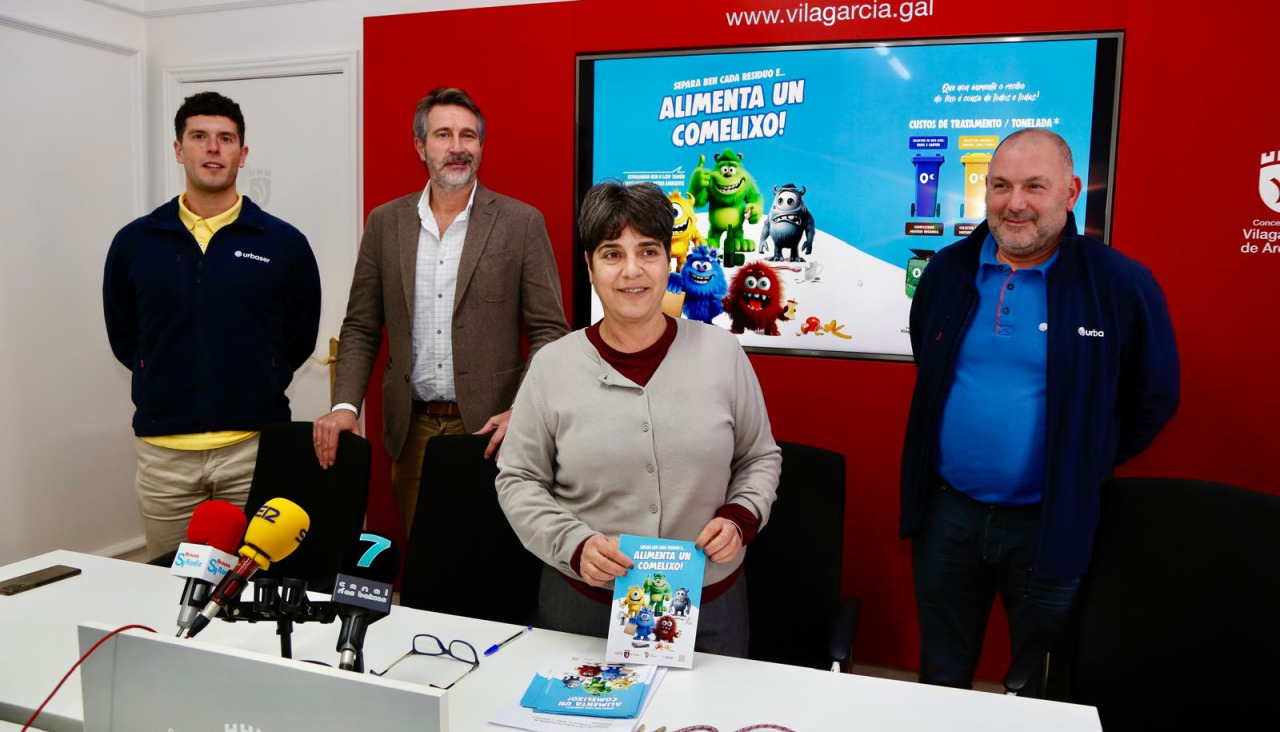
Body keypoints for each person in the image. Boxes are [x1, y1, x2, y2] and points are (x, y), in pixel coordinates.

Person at [899, 128, 1180, 688]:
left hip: (1050, 523)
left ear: (1071, 191)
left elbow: (1156, 397)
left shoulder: (1119, 284)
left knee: (1040, 679)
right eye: (1000, 186)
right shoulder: (947, 272)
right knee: (943, 670)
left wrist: (1086, 454)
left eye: (1035, 186)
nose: (1015, 203)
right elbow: (927, 366)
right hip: (947, 517)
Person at [495, 181, 781, 657]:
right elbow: (518, 480)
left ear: (670, 259)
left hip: (709, 605)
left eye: (648, 251)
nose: (632, 271)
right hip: (584, 607)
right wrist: (575, 544)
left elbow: (759, 457)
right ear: (589, 266)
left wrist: (741, 517)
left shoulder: (721, 353)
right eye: (611, 254)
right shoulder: (552, 367)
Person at [313, 87, 567, 536]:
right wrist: (345, 404)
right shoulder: (385, 223)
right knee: (425, 561)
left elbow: (549, 331)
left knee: (491, 563)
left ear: (481, 147)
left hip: (494, 431)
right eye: (443, 134)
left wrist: (521, 411)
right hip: (410, 432)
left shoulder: (520, 222)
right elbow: (361, 325)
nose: (457, 147)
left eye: (468, 136)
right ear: (420, 146)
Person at [103, 91, 321, 559]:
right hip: (164, 456)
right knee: (169, 585)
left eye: (225, 139)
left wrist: (259, 372)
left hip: (253, 448)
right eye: (199, 137)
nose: (213, 148)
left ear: (243, 154)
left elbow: (298, 337)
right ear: (179, 150)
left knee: (251, 586)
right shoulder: (135, 242)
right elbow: (124, 335)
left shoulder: (283, 243)